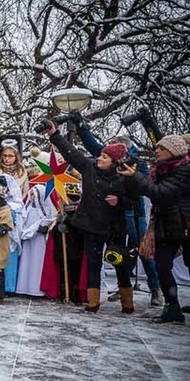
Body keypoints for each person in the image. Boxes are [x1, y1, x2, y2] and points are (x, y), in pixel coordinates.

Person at [41, 120, 136, 313]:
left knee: (119, 263)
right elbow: (71, 153)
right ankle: (93, 302)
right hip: (91, 226)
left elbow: (134, 202)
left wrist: (119, 202)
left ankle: (127, 302)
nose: (99, 158)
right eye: (100, 155)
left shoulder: (125, 177)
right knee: (93, 263)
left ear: (114, 161)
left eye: (104, 157)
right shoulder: (89, 168)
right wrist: (54, 134)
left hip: (115, 228)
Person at [77, 125, 162, 306]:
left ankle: (154, 289)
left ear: (122, 149)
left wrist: (121, 200)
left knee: (135, 252)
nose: (102, 152)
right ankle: (104, 297)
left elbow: (141, 191)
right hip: (104, 221)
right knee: (112, 258)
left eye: (112, 145)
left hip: (131, 217)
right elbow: (93, 146)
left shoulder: (135, 164)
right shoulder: (101, 164)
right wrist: (81, 129)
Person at [118, 135, 189, 323]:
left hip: (184, 225)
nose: (157, 151)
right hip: (167, 226)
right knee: (162, 265)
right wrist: (132, 178)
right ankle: (172, 306)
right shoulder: (159, 170)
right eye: (157, 147)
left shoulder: (184, 170)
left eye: (162, 148)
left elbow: (161, 193)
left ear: (173, 151)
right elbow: (148, 189)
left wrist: (136, 176)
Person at [17, 185, 57, 296]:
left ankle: (35, 289)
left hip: (39, 239)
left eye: (35, 194)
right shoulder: (27, 207)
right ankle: (23, 287)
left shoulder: (46, 208)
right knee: (26, 262)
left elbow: (51, 218)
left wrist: (41, 227)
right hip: (27, 239)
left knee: (37, 263)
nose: (33, 197)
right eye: (32, 194)